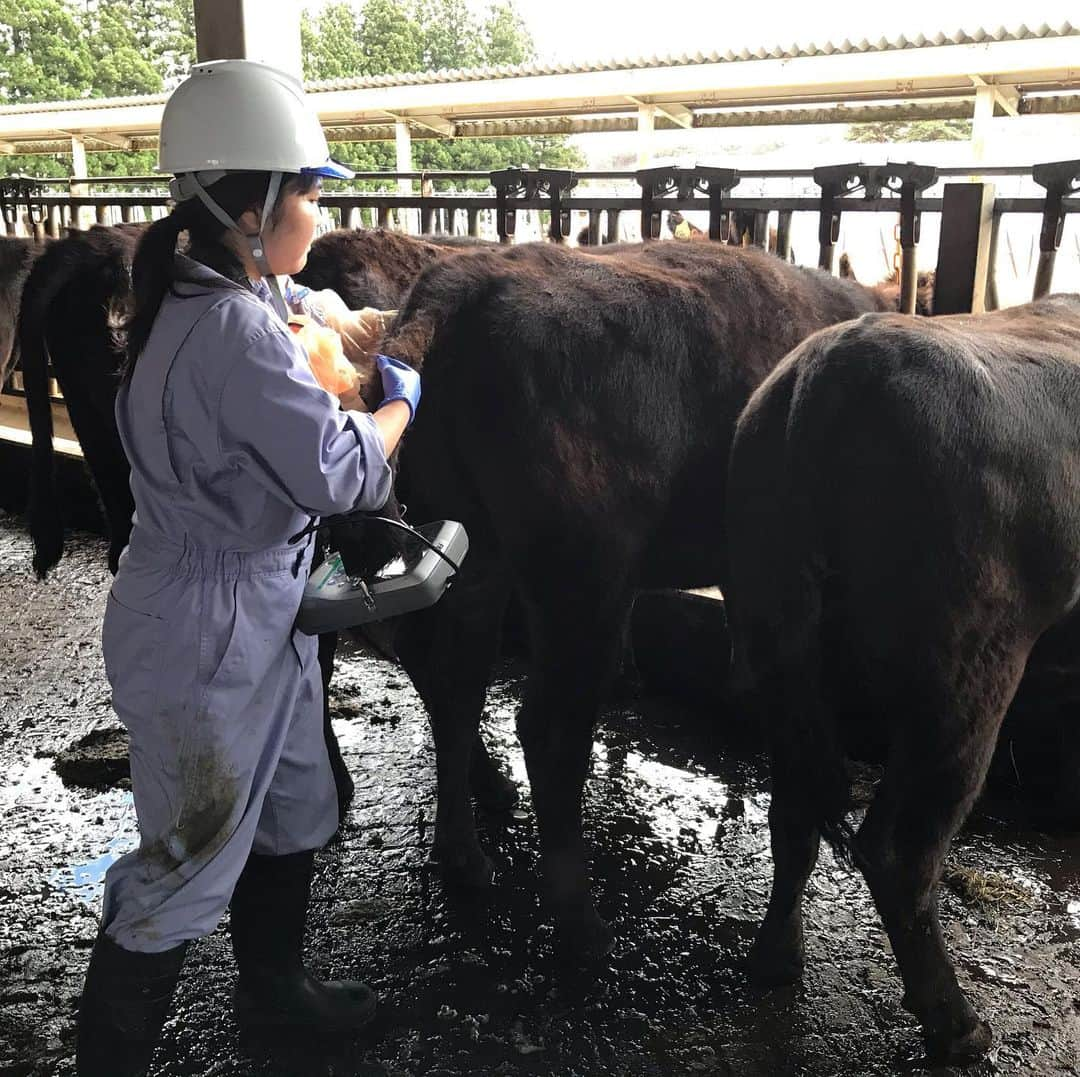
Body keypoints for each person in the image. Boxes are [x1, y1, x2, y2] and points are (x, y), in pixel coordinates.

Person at [75, 59, 421, 1077]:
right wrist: (399, 400)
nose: (318, 212)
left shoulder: (213, 290)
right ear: (256, 202)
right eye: (310, 191)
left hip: (247, 601)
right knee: (180, 865)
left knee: (294, 808)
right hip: (208, 625)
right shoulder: (229, 326)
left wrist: (326, 319)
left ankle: (277, 996)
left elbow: (292, 309)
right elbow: (345, 472)